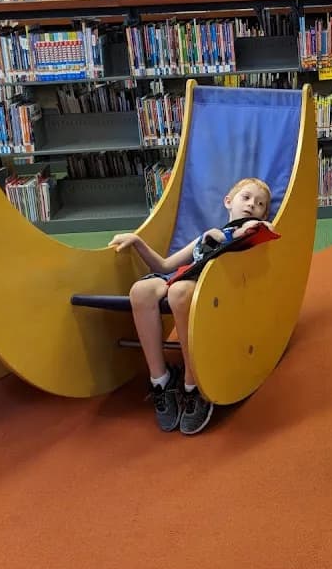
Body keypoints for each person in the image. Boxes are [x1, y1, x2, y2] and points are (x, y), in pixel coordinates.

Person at [109, 177, 273, 435]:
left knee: (179, 292)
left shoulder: (248, 234)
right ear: (228, 201)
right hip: (181, 275)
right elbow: (164, 266)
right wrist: (138, 241)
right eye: (246, 198)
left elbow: (263, 230)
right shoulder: (206, 235)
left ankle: (192, 382)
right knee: (140, 291)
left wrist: (244, 230)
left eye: (260, 203)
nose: (252, 204)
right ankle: (161, 381)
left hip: (209, 286)